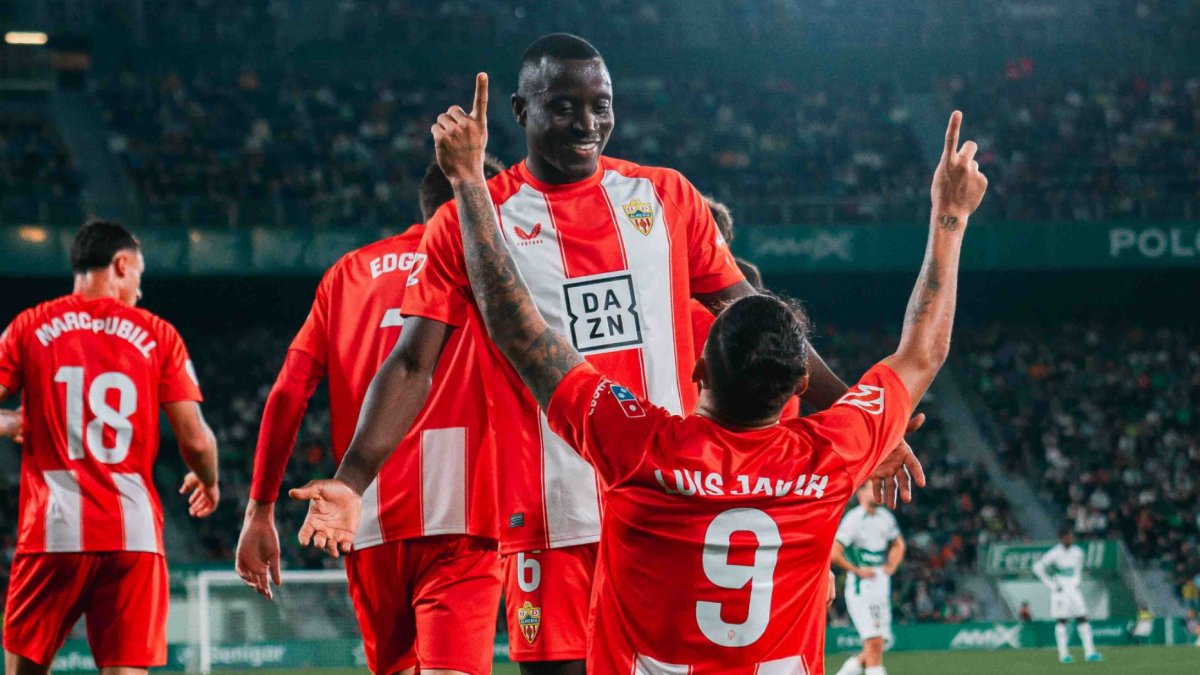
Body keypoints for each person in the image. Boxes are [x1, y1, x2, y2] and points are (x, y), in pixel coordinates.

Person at [291, 33, 920, 675]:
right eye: (563, 105)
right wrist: (351, 482)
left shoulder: (667, 199)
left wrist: (860, 416)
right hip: (552, 510)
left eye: (601, 104)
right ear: (520, 110)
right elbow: (409, 364)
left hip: (669, 502)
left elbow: (755, 319)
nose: (587, 123)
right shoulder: (472, 221)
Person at [237, 158, 506, 675]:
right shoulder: (489, 269)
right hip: (463, 515)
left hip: (364, 511)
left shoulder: (349, 273)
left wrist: (260, 511)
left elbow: (288, 392)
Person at [0, 220, 219, 675]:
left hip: (51, 532)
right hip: (132, 535)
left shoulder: (29, 326)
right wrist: (209, 479)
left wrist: (9, 423)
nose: (139, 289)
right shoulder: (158, 334)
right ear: (120, 264)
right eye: (138, 274)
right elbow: (196, 440)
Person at [831, 483, 907, 675]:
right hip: (861, 588)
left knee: (878, 643)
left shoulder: (886, 517)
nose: (879, 492)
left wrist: (892, 565)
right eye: (874, 488)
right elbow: (834, 552)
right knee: (873, 641)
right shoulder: (853, 519)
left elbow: (898, 544)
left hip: (881, 586)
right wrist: (856, 570)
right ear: (861, 493)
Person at [1033, 528, 1103, 663]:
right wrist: (1051, 585)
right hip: (1060, 590)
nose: (1069, 539)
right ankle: (1063, 655)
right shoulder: (1055, 553)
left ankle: (1090, 652)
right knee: (1061, 621)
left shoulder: (1078, 552)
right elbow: (1037, 567)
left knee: (1082, 617)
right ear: (1061, 538)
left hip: (1074, 590)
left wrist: (1077, 581)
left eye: (1071, 536)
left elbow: (1078, 568)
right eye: (1067, 536)